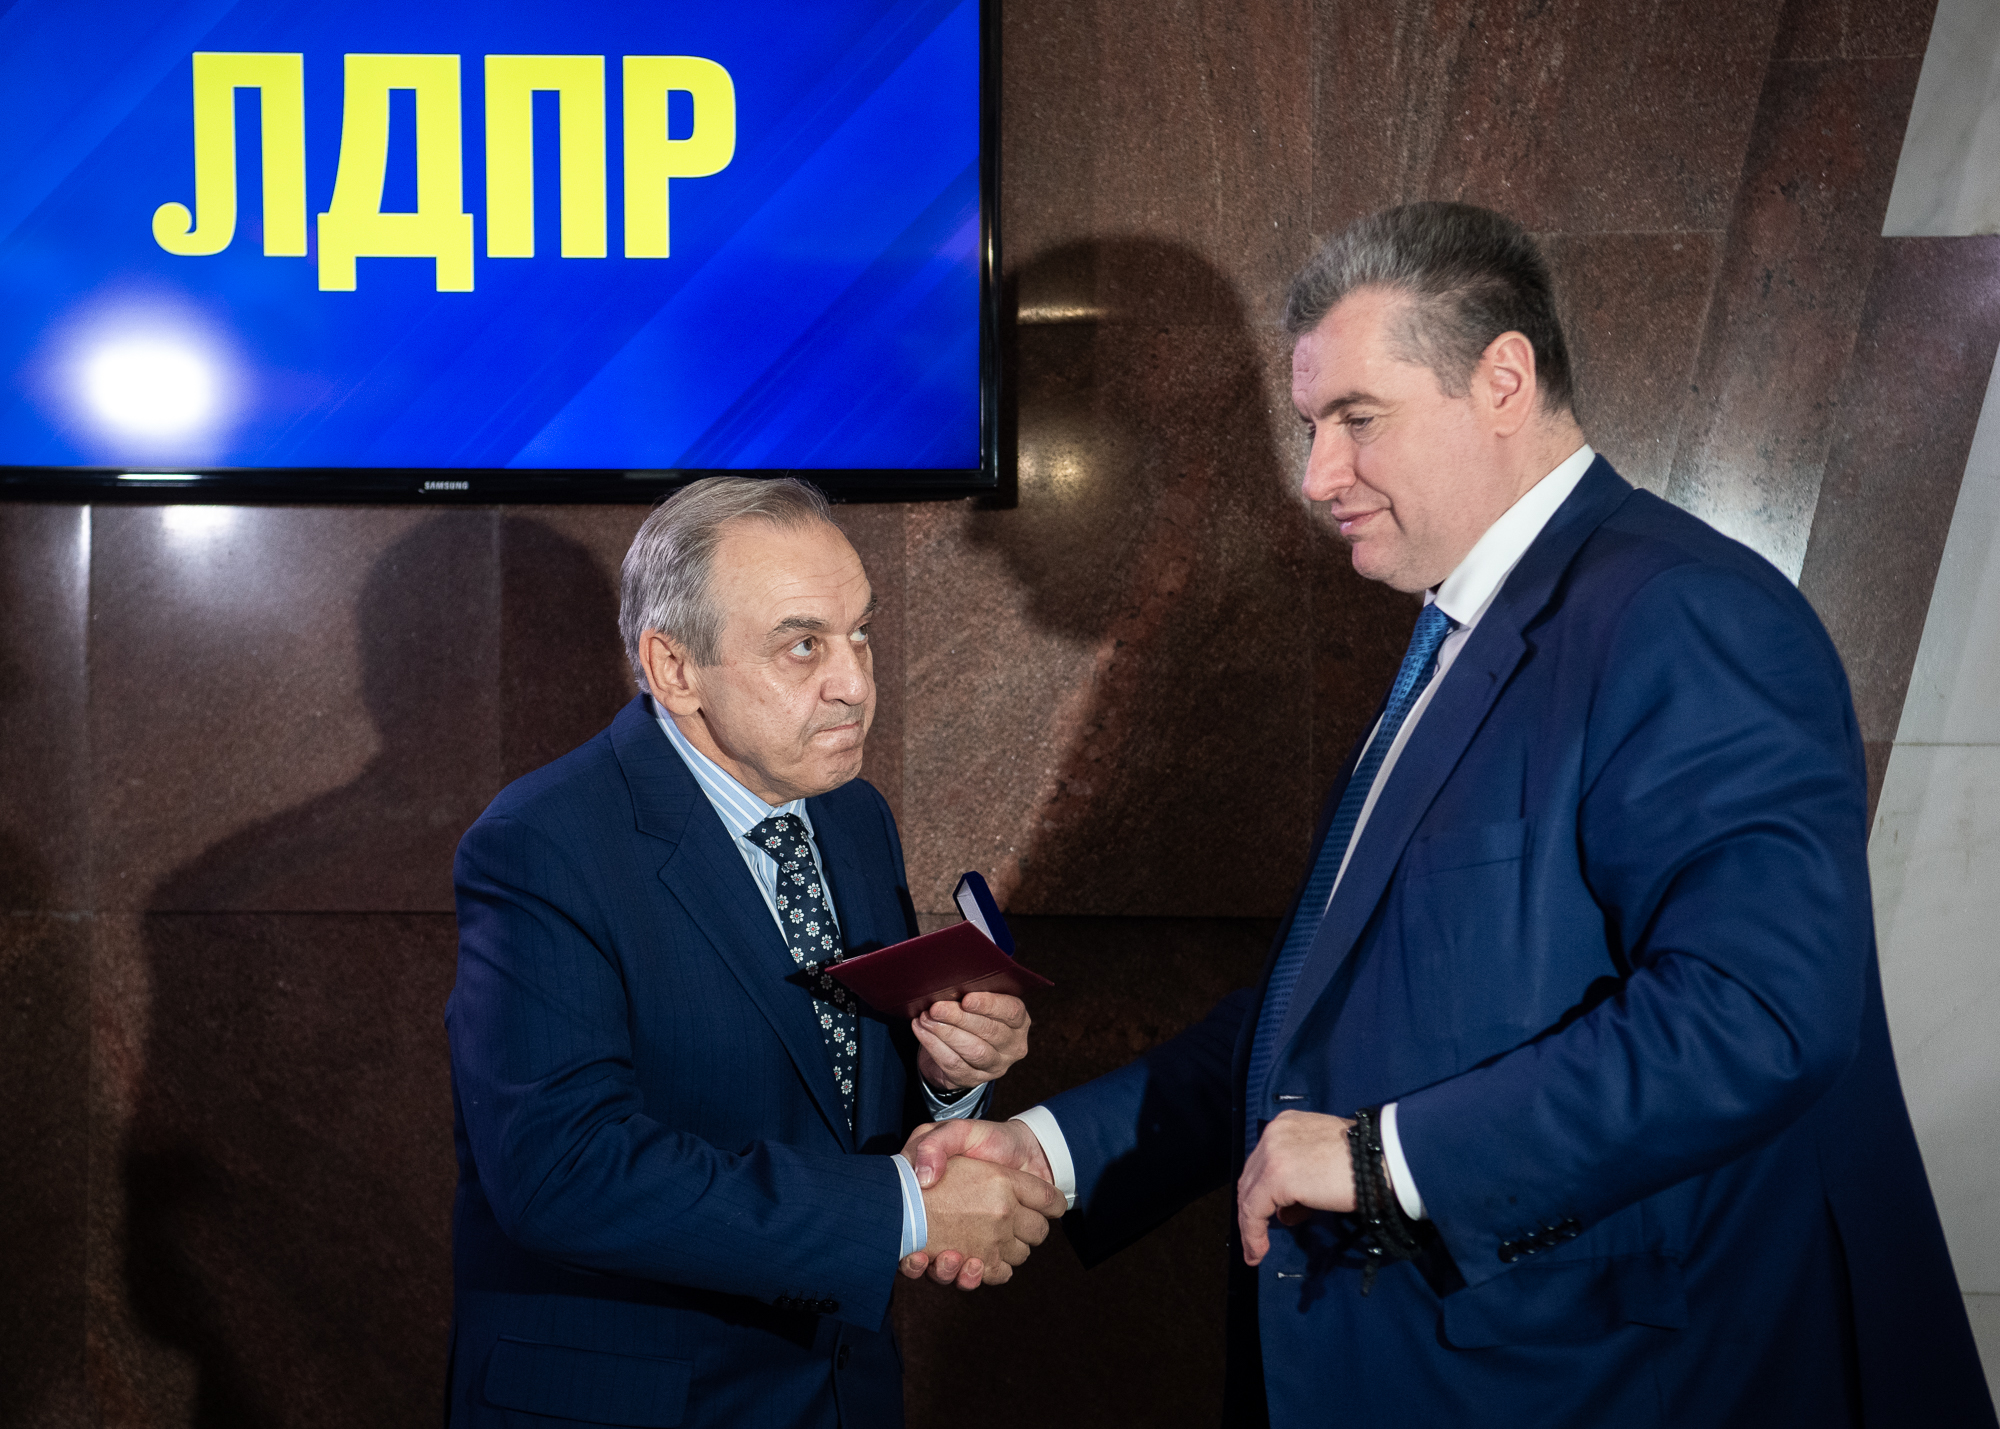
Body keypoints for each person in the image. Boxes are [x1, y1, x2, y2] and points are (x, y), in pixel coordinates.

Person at [905, 202, 1998, 1427]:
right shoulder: (1457, 629)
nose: (1316, 477)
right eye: (1309, 427)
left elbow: (1758, 1013)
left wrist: (1384, 1161)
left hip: (1598, 1382)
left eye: (1356, 420)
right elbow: (1317, 1017)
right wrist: (1051, 1153)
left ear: (1502, 379)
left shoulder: (1682, 612)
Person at [445, 477, 1067, 1428]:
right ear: (674, 667)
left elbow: (826, 1094)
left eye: (861, 632)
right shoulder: (541, 842)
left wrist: (947, 1076)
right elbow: (563, 1171)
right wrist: (902, 1209)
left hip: (837, 1391)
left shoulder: (853, 815)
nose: (855, 682)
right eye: (803, 644)